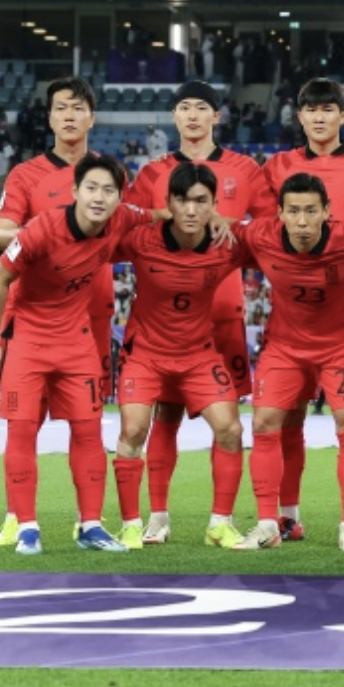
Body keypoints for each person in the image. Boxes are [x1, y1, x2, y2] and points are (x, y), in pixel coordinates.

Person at [0, 154, 154, 556]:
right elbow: (0, 279)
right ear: (75, 191)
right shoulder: (41, 229)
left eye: (108, 190)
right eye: (91, 188)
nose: (99, 197)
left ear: (119, 198)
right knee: (22, 431)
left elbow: (160, 214)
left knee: (89, 431)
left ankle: (90, 525)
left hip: (77, 343)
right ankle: (26, 527)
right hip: (27, 342)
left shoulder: (122, 219)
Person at [126, 79, 276, 545]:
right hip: (163, 321)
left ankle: (224, 518)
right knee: (164, 416)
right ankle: (157, 517)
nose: (192, 115)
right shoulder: (152, 173)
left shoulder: (245, 169)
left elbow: (271, 226)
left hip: (224, 315)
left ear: (217, 116)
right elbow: (130, 223)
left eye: (201, 108)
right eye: (184, 108)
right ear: (174, 116)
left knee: (228, 422)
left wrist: (227, 222)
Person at [233, 173, 344, 552]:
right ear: (280, 213)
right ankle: (271, 523)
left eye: (311, 211)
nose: (302, 221)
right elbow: (218, 230)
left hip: (339, 347)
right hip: (284, 348)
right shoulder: (260, 235)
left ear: (327, 212)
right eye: (293, 211)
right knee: (265, 422)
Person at [0, 76, 119, 547]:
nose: (69, 115)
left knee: (88, 424)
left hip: (89, 320)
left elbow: (135, 224)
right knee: (24, 422)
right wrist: (52, 229)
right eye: (61, 107)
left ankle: (90, 523)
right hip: (32, 318)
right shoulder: (27, 175)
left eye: (78, 108)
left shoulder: (107, 174)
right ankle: (19, 518)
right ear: (49, 117)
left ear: (91, 118)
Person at [263, 77, 344, 541]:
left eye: (328, 109)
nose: (319, 117)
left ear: (343, 115)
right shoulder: (277, 166)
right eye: (311, 109)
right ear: (299, 116)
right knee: (287, 418)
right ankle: (287, 515)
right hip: (293, 310)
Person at [110, 162, 251, 549]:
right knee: (133, 431)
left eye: (201, 201)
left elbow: (280, 242)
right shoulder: (141, 239)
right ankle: (133, 524)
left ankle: (220, 525)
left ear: (214, 204)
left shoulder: (228, 244)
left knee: (231, 430)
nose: (191, 210)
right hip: (145, 355)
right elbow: (97, 233)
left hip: (198, 356)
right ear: (169, 202)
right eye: (182, 200)